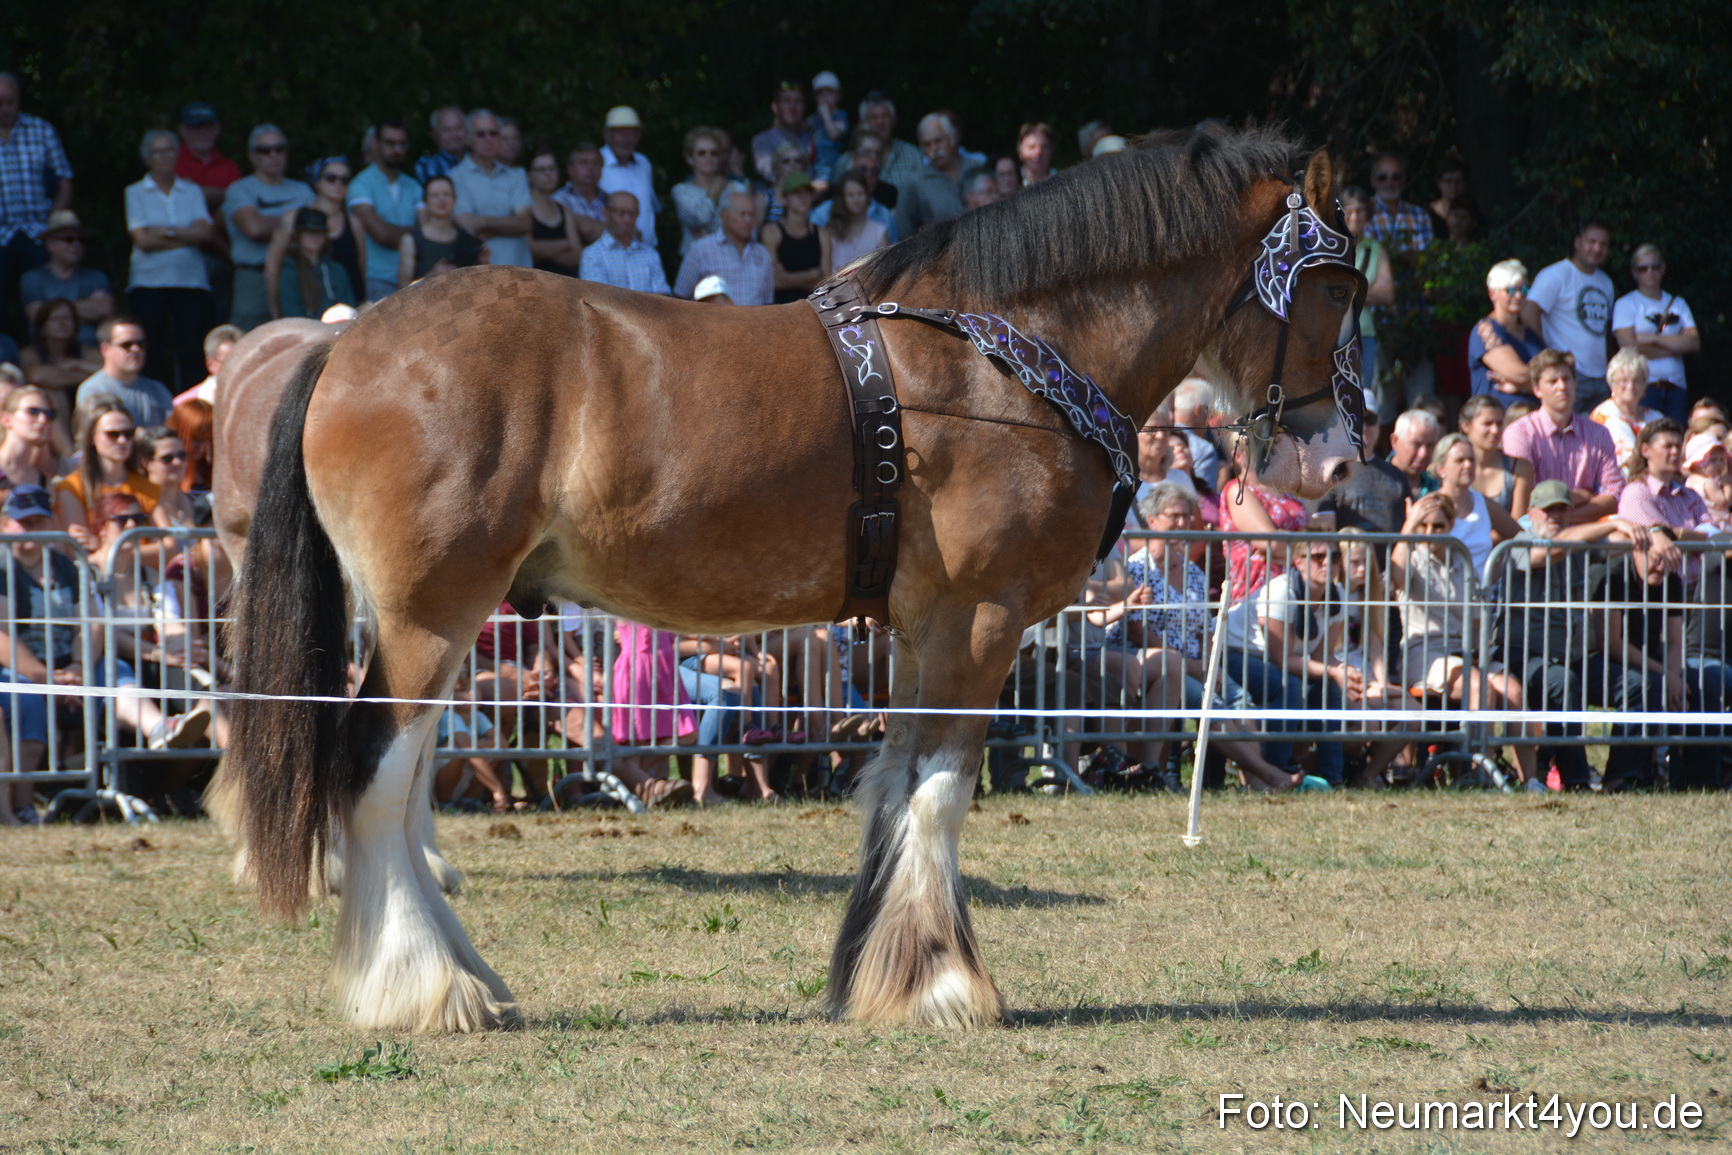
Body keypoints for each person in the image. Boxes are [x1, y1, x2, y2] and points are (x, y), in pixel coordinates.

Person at [1, 484, 208, 752]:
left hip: (71, 668)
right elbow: (3, 635)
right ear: (4, 524)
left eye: (39, 520)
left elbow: (91, 624)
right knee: (26, 701)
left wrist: (79, 666)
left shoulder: (66, 566)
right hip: (20, 672)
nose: (33, 528)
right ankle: (23, 780)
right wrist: (46, 679)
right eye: (24, 522)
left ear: (51, 522)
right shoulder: (3, 567)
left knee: (114, 669)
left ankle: (159, 728)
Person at [1503, 481, 1648, 792]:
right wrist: (1613, 523)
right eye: (1549, 510)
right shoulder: (1519, 541)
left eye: (1562, 510)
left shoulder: (1583, 541)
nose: (1555, 516)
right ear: (1531, 512)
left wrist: (1653, 534)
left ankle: (1621, 778)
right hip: (1525, 657)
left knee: (1638, 684)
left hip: (1574, 657)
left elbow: (1622, 542)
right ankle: (1576, 780)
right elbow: (1544, 554)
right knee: (1561, 682)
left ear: (1571, 514)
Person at [1390, 492, 1537, 785]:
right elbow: (1396, 577)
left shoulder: (1462, 560)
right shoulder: (1411, 557)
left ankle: (1531, 781)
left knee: (1513, 691)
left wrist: (1481, 652)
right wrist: (1409, 526)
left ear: (1451, 527)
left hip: (1465, 651)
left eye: (1438, 526)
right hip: (1424, 652)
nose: (1430, 533)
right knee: (1478, 686)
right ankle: (1478, 774)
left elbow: (1478, 620)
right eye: (1423, 526)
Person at [1601, 531, 1729, 790]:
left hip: (1655, 664)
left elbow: (1674, 640)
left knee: (1703, 683)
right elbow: (1613, 644)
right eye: (1656, 558)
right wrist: (1665, 675)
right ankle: (1623, 778)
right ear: (1637, 551)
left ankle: (1699, 782)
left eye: (1669, 560)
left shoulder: (1671, 581)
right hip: (1608, 663)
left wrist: (1673, 677)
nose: (1662, 567)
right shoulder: (1615, 575)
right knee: (1647, 684)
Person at [126, 130, 216, 392]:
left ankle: (191, 406)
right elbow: (142, 240)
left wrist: (164, 232)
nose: (164, 156)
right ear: (147, 157)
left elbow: (205, 233)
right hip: (148, 281)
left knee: (191, 351)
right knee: (151, 349)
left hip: (191, 280)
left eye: (169, 150)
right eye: (158, 151)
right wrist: (186, 234)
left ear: (177, 154)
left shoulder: (191, 190)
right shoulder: (134, 192)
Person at [1501, 348, 1623, 525]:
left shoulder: (1598, 433)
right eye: (1553, 381)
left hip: (1586, 532)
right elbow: (1523, 499)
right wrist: (1581, 497)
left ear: (1575, 383)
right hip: (1535, 531)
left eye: (1566, 379)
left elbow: (1615, 494)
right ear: (1537, 389)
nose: (1562, 386)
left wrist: (1563, 517)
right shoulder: (1519, 432)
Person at [0, 73, 75, 337]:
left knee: (39, 304)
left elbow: (64, 180)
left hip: (38, 232)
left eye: (10, 102)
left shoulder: (41, 130)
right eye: (0, 103)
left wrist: (53, 226)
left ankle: (40, 353)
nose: (5, 108)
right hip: (0, 234)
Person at [222, 124, 314, 331]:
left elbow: (316, 233)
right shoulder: (239, 189)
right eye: (265, 150)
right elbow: (253, 228)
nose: (274, 155)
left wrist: (268, 220)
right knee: (248, 338)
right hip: (253, 279)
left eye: (279, 149)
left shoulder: (303, 190)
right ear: (252, 156)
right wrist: (292, 220)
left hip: (297, 274)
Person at [1522, 221, 1615, 411]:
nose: (1597, 248)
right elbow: (1528, 313)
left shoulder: (1606, 282)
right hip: (1568, 373)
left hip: (1600, 375)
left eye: (1603, 244)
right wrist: (1547, 354)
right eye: (1591, 242)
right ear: (1577, 243)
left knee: (1598, 428)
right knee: (1566, 426)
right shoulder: (1556, 275)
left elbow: (1605, 330)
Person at [1611, 244, 1699, 424]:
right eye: (1643, 268)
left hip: (1676, 386)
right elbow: (1628, 348)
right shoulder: (1626, 303)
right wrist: (1675, 348)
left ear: (1663, 268)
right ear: (1634, 272)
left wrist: (1652, 339)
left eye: (1655, 266)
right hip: (1643, 387)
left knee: (1676, 435)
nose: (1650, 272)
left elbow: (1694, 343)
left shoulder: (1678, 303)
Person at [265, 157, 361, 319]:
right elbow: (273, 266)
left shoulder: (354, 222)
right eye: (331, 178)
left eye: (345, 179)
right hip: (301, 306)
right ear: (317, 181)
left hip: (344, 305)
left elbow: (360, 266)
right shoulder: (292, 217)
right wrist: (275, 313)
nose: (338, 183)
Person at [1218, 440, 1309, 601]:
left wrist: (1298, 551)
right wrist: (1307, 554)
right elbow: (1270, 542)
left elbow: (1314, 536)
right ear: (1238, 456)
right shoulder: (1238, 490)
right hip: (1258, 589)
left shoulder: (1288, 492)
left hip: (1297, 584)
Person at [54, 399, 160, 538]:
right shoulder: (72, 487)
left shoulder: (148, 487)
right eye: (113, 434)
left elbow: (168, 544)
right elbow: (77, 546)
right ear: (92, 437)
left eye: (128, 433)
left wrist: (108, 547)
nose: (122, 440)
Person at [347, 119, 422, 303]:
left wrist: (419, 235)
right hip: (376, 281)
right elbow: (381, 234)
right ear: (375, 143)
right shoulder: (360, 184)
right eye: (390, 143)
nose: (397, 149)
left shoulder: (413, 185)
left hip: (413, 279)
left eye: (402, 144)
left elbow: (428, 235)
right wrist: (416, 235)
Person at [1428, 432, 1521, 575]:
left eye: (1471, 459)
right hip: (1441, 587)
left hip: (1480, 589)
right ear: (1441, 469)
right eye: (1460, 460)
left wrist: (1496, 571)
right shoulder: (1429, 505)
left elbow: (1520, 537)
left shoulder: (1483, 503)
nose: (1468, 465)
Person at [448, 110, 532, 268]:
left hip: (520, 269)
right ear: (468, 138)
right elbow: (467, 227)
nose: (488, 139)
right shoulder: (455, 176)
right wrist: (509, 223)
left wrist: (482, 221)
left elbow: (525, 223)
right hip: (479, 272)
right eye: (480, 134)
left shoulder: (516, 175)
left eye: (493, 133)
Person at [1339, 187, 1395, 415]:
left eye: (1360, 211)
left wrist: (1347, 289)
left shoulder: (1375, 250)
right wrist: (1366, 291)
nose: (1355, 217)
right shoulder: (1330, 247)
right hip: (1331, 333)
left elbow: (1387, 294)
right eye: (1349, 211)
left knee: (1363, 397)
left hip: (1364, 333)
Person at [18, 211, 112, 347]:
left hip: (90, 349)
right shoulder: (31, 278)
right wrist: (86, 310)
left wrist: (54, 315)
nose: (76, 245)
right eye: (68, 239)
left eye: (81, 240)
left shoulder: (96, 277)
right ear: (50, 244)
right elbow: (36, 315)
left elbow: (104, 309)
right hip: (46, 352)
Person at [1314, 409, 1411, 536]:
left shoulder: (1398, 476)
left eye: (1370, 420)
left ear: (1379, 422)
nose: (1363, 427)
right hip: (1345, 549)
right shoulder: (1327, 474)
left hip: (1392, 550)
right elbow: (1325, 536)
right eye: (1355, 420)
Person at [673, 190, 773, 305]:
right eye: (742, 214)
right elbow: (680, 298)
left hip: (754, 317)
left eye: (751, 215)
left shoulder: (763, 254)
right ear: (724, 215)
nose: (748, 220)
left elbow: (768, 304)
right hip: (711, 317)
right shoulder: (700, 250)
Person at [1468, 259, 1545, 407]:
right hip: (1498, 415)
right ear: (1492, 294)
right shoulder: (1486, 330)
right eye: (1510, 290)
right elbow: (1520, 374)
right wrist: (1539, 382)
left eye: (1524, 290)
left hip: (1533, 414)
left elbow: (1553, 373)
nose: (1518, 295)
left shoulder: (1530, 333)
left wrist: (1521, 387)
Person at [75, 317, 175, 427]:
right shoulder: (93, 390)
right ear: (105, 349)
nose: (136, 349)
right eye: (127, 344)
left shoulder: (157, 389)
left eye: (140, 344)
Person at [17, 298, 98, 433]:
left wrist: (77, 364)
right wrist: (87, 375)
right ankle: (67, 446)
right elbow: (37, 376)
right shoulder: (30, 353)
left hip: (83, 407)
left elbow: (109, 371)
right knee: (53, 392)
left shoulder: (86, 352)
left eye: (67, 318)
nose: (62, 323)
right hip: (45, 413)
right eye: (55, 319)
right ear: (43, 326)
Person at [397, 175, 487, 288]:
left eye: (447, 194)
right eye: (434, 195)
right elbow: (403, 290)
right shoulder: (411, 241)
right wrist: (432, 275)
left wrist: (483, 264)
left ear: (455, 200)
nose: (441, 199)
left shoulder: (468, 240)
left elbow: (479, 286)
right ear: (426, 201)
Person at [894, 113, 975, 237]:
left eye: (938, 141)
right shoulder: (914, 182)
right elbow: (904, 232)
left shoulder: (976, 167)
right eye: (927, 145)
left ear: (952, 139)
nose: (934, 149)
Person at [1590, 347, 1663, 478]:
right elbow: (1630, 461)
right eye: (1623, 381)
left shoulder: (1656, 417)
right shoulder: (1606, 414)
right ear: (1612, 384)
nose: (1630, 386)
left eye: (1637, 381)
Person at [579, 191, 671, 295]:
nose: (627, 219)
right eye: (621, 212)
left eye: (632, 213)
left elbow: (662, 295)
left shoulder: (650, 253)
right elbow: (596, 298)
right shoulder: (592, 254)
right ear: (605, 213)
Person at [762, 173, 830, 304]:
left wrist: (788, 278)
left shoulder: (822, 234)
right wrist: (813, 274)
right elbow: (774, 282)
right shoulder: (771, 232)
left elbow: (826, 284)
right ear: (784, 198)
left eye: (807, 193)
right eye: (796, 193)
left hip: (813, 308)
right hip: (781, 308)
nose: (803, 197)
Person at [275, 209, 356, 320]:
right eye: (309, 232)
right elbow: (292, 314)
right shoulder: (289, 272)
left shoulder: (337, 270)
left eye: (320, 232)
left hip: (340, 328)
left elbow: (350, 309)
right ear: (297, 235)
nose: (315, 237)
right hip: (304, 329)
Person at [1456, 395, 1531, 515]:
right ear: (1466, 426)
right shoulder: (1452, 466)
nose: (1495, 430)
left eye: (1499, 423)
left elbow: (1518, 521)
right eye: (1487, 423)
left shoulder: (1519, 467)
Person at [670, 127, 738, 257]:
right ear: (690, 158)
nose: (708, 157)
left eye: (714, 153)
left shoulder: (736, 188)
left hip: (731, 257)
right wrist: (715, 192)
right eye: (702, 153)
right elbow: (701, 217)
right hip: (697, 259)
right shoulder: (681, 191)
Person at [598, 107, 659, 250]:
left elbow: (650, 208)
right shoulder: (597, 162)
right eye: (620, 133)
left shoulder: (643, 163)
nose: (626, 139)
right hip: (611, 250)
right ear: (607, 135)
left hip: (647, 249)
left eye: (632, 133)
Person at [810, 147, 897, 241]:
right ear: (850, 170)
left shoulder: (885, 217)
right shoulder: (823, 213)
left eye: (874, 172)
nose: (868, 175)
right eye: (862, 169)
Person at [173, 101, 241, 216]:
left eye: (207, 127)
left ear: (217, 128)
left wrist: (193, 190)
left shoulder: (230, 167)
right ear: (182, 130)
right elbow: (173, 198)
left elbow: (240, 202)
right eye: (195, 128)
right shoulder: (171, 161)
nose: (202, 133)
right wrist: (226, 194)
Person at [526, 146, 583, 277]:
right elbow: (529, 249)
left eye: (552, 168)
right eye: (541, 170)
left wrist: (543, 252)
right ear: (528, 175)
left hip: (566, 284)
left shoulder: (564, 210)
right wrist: (565, 244)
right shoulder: (524, 209)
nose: (548, 173)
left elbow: (577, 256)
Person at [858, 93, 924, 193]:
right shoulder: (849, 160)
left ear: (893, 121)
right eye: (873, 118)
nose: (880, 122)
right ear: (863, 123)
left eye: (885, 117)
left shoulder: (913, 155)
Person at [752, 82, 815, 185]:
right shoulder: (763, 140)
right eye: (786, 101)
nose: (792, 106)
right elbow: (769, 174)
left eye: (798, 101)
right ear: (775, 107)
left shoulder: (811, 136)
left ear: (804, 107)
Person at [823, 171, 888, 270]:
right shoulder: (831, 232)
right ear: (842, 198)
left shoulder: (879, 232)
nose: (856, 199)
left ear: (867, 196)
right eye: (850, 195)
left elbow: (883, 270)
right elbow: (826, 272)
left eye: (860, 194)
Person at [0, 386, 61, 487]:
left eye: (49, 414)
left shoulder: (44, 481)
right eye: (33, 412)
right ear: (6, 419)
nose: (42, 420)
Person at [174, 322, 240, 407]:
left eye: (241, 362)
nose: (237, 369)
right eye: (228, 364)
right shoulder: (185, 405)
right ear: (210, 364)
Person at [552, 143, 607, 245]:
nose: (590, 168)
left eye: (596, 163)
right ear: (570, 169)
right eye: (583, 163)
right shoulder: (558, 200)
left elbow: (630, 234)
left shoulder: (610, 200)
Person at [1682, 432, 1732, 532]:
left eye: (1721, 460)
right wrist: (1728, 484)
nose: (1719, 464)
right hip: (1717, 524)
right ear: (1696, 463)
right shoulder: (1708, 482)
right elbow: (1724, 502)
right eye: (1713, 460)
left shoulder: (1690, 480)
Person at [1387, 408, 1440, 493]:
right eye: (1416, 445)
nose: (1423, 454)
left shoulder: (1437, 487)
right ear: (1395, 441)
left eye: (1430, 446)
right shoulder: (1376, 481)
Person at [808, 71, 849, 181]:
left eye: (829, 92)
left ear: (838, 96)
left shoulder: (840, 116)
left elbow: (834, 135)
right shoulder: (814, 117)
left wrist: (826, 116)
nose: (825, 97)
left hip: (832, 166)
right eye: (820, 93)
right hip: (814, 165)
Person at [414, 106, 468, 186]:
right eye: (446, 130)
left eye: (458, 128)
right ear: (434, 135)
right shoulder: (427, 166)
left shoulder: (479, 162)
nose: (453, 135)